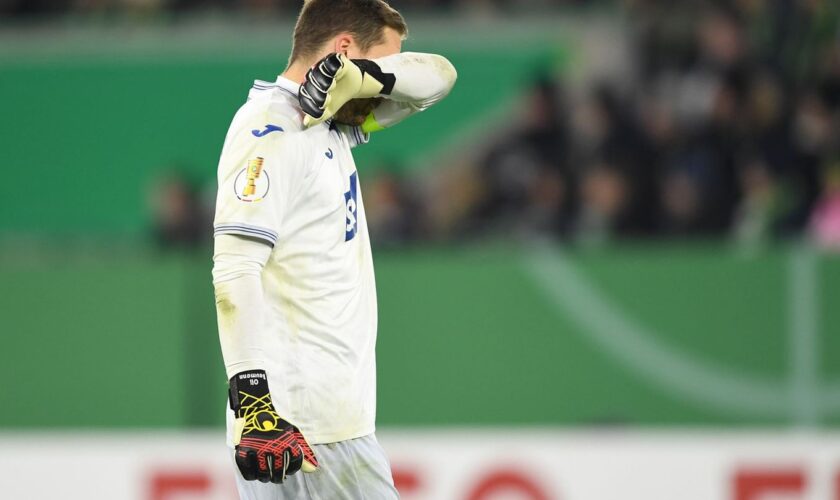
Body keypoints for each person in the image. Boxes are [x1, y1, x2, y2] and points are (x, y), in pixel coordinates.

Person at [211, 0, 457, 498]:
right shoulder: (273, 129)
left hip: (325, 426)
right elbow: (235, 265)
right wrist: (254, 400)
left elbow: (438, 78)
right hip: (304, 428)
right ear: (343, 48)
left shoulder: (332, 122)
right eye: (382, 63)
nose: (387, 80)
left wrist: (364, 78)